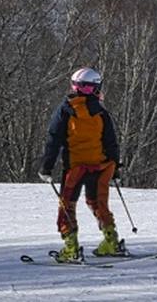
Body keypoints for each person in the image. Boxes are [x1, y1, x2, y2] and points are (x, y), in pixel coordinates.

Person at [38, 67, 122, 261]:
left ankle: (71, 246)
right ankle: (111, 240)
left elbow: (54, 139)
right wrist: (115, 167)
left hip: (75, 167)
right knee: (97, 202)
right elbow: (111, 141)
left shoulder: (65, 110)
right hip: (100, 166)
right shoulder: (101, 112)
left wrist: (46, 166)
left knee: (67, 205)